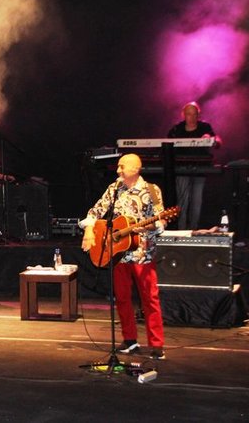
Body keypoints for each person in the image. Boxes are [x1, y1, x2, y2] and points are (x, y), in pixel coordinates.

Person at [80, 153, 167, 360]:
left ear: (135, 169)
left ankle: (156, 344)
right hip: (119, 253)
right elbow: (96, 211)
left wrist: (147, 227)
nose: (118, 170)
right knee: (122, 298)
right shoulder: (114, 188)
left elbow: (161, 220)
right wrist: (89, 230)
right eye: (118, 167)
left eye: (122, 166)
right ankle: (129, 340)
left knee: (150, 298)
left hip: (143, 253)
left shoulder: (152, 190)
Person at [167, 101, 219, 230]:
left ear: (198, 115)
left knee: (197, 201)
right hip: (181, 168)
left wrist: (210, 138)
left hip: (200, 168)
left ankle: (194, 230)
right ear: (184, 115)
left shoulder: (205, 127)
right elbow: (166, 144)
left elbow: (217, 141)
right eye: (189, 114)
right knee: (182, 201)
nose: (192, 117)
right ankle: (181, 230)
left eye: (195, 114)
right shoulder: (177, 129)